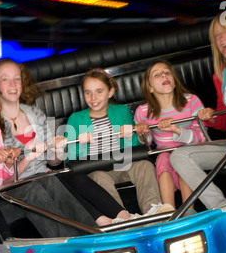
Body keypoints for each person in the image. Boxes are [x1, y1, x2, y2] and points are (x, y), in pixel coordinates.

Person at [0, 59, 133, 226]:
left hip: (45, 173)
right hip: (18, 184)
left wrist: (59, 148)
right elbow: (2, 174)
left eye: (17, 78)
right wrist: (29, 157)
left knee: (73, 175)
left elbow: (53, 161)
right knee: (54, 183)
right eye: (5, 79)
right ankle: (102, 222)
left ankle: (124, 215)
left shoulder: (35, 113)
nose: (12, 84)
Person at [0, 81, 97, 237]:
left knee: (48, 180)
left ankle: (92, 233)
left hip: (3, 194)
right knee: (32, 190)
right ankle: (66, 241)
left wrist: (15, 162)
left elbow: (7, 180)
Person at [170, 8, 226, 210]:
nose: (222, 39)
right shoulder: (221, 74)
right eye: (217, 35)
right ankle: (222, 206)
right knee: (178, 155)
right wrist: (211, 117)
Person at [65, 68, 168, 216]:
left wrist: (130, 135)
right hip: (94, 169)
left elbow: (132, 149)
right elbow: (71, 159)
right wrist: (81, 143)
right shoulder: (76, 118)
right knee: (100, 177)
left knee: (145, 165)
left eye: (99, 91)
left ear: (110, 92)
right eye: (88, 92)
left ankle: (153, 210)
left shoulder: (121, 112)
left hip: (122, 165)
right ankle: (121, 217)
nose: (93, 97)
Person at [134, 59, 207, 209]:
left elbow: (202, 137)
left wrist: (177, 130)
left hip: (191, 151)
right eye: (157, 75)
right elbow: (147, 143)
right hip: (164, 153)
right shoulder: (143, 112)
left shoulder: (191, 101)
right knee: (162, 158)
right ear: (150, 88)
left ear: (174, 81)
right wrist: (143, 133)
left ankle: (189, 209)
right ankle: (168, 210)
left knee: (182, 158)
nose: (163, 76)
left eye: (167, 73)